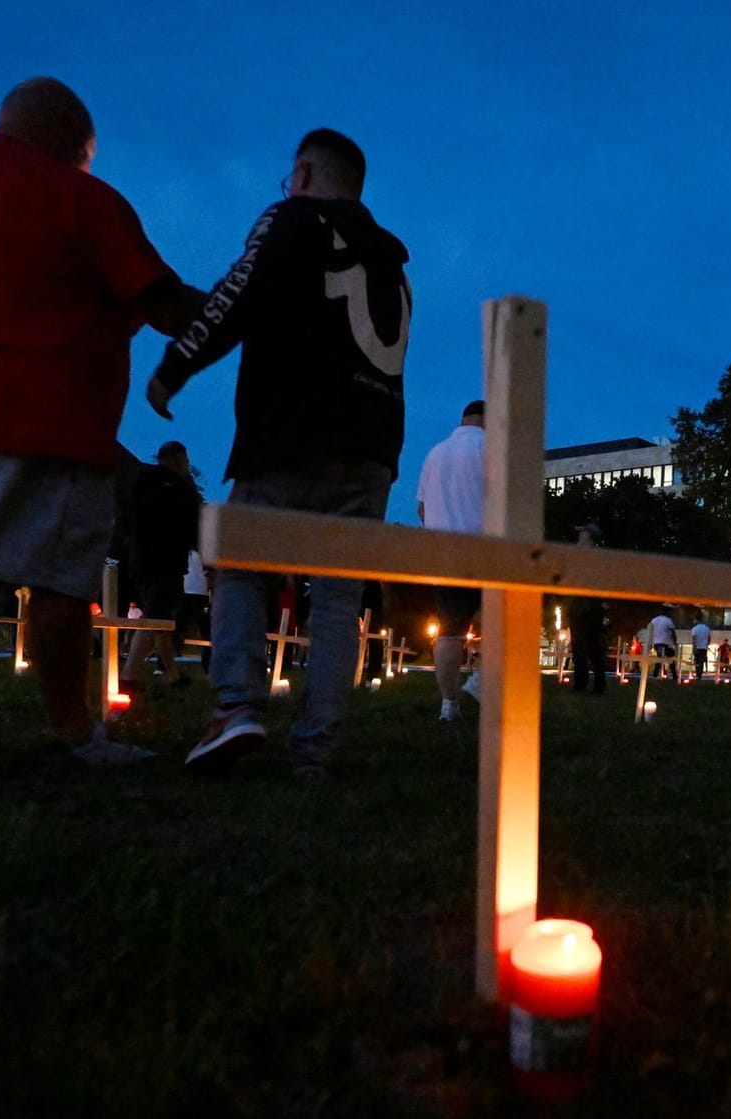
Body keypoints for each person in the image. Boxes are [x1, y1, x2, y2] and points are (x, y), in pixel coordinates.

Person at [0, 78, 201, 773]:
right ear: (77, 143)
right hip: (47, 415)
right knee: (59, 581)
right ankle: (73, 734)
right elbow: (165, 303)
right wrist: (241, 312)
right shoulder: (82, 197)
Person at [152, 128, 412, 782]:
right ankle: (314, 751)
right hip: (373, 449)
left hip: (292, 432)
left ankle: (237, 704)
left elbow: (239, 293)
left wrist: (176, 365)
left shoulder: (293, 219)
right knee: (336, 603)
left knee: (238, 562)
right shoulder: (393, 265)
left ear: (302, 174)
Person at [417, 399, 486, 721]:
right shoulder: (490, 448)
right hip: (486, 552)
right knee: (507, 621)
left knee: (450, 632)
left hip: (444, 555)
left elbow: (421, 509)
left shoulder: (435, 453)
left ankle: (449, 704)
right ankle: (483, 682)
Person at [120, 441, 203, 691]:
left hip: (141, 560)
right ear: (178, 459)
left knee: (161, 618)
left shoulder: (141, 483)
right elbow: (192, 529)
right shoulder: (181, 491)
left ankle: (173, 674)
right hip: (167, 562)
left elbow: (128, 518)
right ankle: (128, 676)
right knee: (157, 618)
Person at [567, 525, 607, 694]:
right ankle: (598, 685)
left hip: (584, 607)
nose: (578, 538)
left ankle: (581, 685)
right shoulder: (599, 559)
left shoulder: (584, 558)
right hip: (592, 607)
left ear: (588, 538)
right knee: (593, 647)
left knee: (582, 647)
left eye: (581, 535)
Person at [648, 608, 677, 678]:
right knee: (671, 658)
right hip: (666, 642)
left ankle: (657, 674)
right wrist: (675, 641)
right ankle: (674, 674)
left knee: (660, 657)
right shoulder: (668, 621)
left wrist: (650, 643)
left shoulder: (654, 620)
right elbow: (673, 632)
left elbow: (651, 631)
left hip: (656, 643)